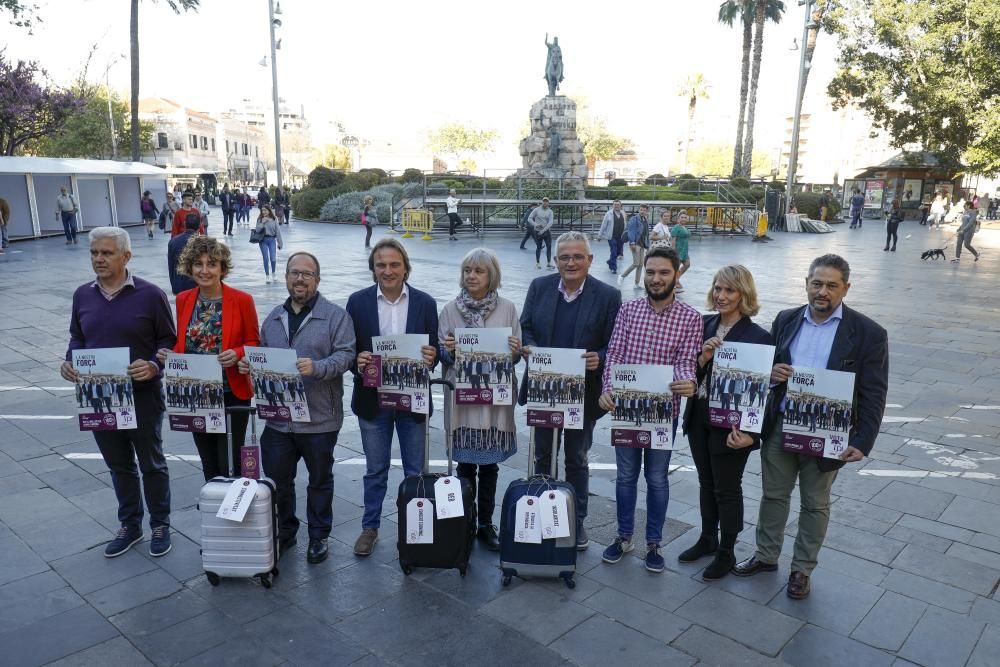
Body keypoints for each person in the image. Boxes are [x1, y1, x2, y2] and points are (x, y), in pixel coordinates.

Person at [733, 254, 888, 600]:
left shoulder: (868, 333)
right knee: (774, 495)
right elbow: (768, 367)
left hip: (828, 432)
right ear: (806, 283)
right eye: (816, 283)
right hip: (782, 423)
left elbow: (874, 391)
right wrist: (772, 375)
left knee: (815, 503)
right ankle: (765, 555)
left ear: (846, 288)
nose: (822, 291)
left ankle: (802, 569)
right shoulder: (786, 319)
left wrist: (863, 440)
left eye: (832, 285)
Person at [61, 227, 176, 558]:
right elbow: (77, 337)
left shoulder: (150, 295)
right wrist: (70, 362)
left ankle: (160, 523)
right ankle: (130, 524)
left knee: (152, 463)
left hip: (142, 395)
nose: (99, 259)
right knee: (118, 465)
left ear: (126, 256)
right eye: (94, 253)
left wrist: (155, 364)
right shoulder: (82, 295)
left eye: (106, 253)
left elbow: (168, 341)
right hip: (99, 395)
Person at [238, 252, 356, 564]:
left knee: (320, 480)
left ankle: (318, 535)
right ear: (286, 277)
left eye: (306, 273)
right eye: (294, 273)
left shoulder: (335, 316)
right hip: (278, 420)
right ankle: (286, 530)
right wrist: (249, 364)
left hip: (319, 419)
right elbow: (262, 354)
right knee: (279, 481)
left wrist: (317, 367)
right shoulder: (274, 316)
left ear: (317, 279)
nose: (299, 279)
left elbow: (346, 356)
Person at [598, 247, 701, 572]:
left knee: (657, 478)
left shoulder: (691, 318)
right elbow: (614, 353)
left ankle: (654, 542)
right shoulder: (629, 311)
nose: (656, 278)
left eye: (664, 273)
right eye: (651, 272)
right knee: (626, 476)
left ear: (676, 275)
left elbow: (686, 361)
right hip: (627, 409)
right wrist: (608, 389)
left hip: (662, 413)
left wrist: (688, 382)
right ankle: (624, 536)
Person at [520, 230, 622, 550]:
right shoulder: (539, 287)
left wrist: (600, 358)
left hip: (584, 393)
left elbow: (615, 344)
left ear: (590, 260)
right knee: (542, 455)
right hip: (545, 388)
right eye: (564, 257)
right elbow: (525, 327)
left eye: (578, 256)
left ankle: (575, 520)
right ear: (556, 260)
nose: (571, 262)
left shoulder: (608, 295)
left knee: (577, 458)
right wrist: (531, 348)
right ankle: (541, 514)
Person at [345, 238, 439, 557]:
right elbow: (349, 349)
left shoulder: (425, 303)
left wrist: (431, 357)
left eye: (394, 264)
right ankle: (370, 527)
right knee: (375, 469)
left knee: (416, 470)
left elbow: (435, 352)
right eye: (381, 265)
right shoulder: (357, 302)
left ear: (405, 268)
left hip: (412, 400)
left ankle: (416, 527)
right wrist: (356, 361)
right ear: (373, 269)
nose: (388, 270)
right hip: (373, 399)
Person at [679, 265, 772, 580]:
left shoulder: (759, 337)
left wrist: (751, 434)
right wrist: (702, 358)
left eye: (729, 290)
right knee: (706, 483)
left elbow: (763, 394)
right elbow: (683, 372)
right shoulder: (702, 324)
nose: (721, 296)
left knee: (727, 488)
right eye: (717, 289)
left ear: (743, 294)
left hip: (732, 425)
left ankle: (726, 550)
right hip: (698, 415)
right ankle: (707, 538)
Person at [157, 236, 260, 481]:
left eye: (212, 264)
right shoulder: (184, 300)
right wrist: (171, 355)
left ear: (222, 268)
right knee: (207, 457)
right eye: (198, 264)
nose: (204, 270)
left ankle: (234, 505)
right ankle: (215, 501)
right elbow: (183, 342)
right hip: (196, 392)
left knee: (230, 459)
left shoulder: (242, 300)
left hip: (231, 391)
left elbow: (255, 343)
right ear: (189, 267)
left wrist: (237, 353)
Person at [438, 248, 522, 550]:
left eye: (478, 271)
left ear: (492, 276)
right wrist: (447, 349)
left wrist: (514, 350)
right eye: (467, 270)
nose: (471, 276)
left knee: (489, 467)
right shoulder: (449, 309)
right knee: (463, 466)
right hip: (462, 399)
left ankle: (485, 523)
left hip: (493, 400)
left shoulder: (508, 308)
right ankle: (464, 521)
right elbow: (441, 356)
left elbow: (514, 357)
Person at [167, 214, 201, 295]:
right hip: (198, 286)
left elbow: (171, 266)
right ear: (200, 225)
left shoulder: (173, 241)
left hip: (179, 286)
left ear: (185, 223)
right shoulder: (203, 242)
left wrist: (174, 285)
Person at [619, 204, 649, 289]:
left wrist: (648, 245)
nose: (642, 211)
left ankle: (636, 283)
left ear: (647, 211)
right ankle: (622, 276)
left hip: (642, 244)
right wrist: (632, 242)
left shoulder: (645, 219)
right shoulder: (634, 219)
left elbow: (646, 233)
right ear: (639, 210)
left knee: (640, 264)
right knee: (636, 263)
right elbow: (631, 231)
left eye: (644, 210)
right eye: (641, 210)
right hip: (635, 243)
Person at [255, 205, 284, 282]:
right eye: (262, 210)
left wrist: (280, 243)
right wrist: (262, 223)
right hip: (263, 240)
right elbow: (257, 230)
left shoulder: (274, 219)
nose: (264, 212)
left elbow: (278, 232)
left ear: (269, 211)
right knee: (266, 258)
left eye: (265, 210)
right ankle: (267, 275)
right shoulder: (260, 219)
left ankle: (273, 273)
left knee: (273, 258)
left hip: (272, 240)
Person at [597, 199, 627, 274]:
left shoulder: (623, 213)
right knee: (613, 251)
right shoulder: (608, 214)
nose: (616, 206)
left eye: (618, 205)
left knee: (617, 253)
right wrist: (599, 235)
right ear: (613, 205)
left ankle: (610, 261)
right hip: (611, 236)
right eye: (615, 204)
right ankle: (613, 268)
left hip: (620, 237)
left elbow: (625, 224)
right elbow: (603, 225)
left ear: (620, 206)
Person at [528, 197, 554, 269]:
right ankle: (538, 263)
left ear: (548, 203)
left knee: (549, 247)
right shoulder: (536, 210)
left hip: (546, 231)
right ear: (542, 202)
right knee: (538, 247)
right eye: (544, 201)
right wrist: (536, 225)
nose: (545, 203)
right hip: (537, 231)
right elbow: (529, 218)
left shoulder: (550, 211)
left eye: (546, 201)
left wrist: (543, 230)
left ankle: (549, 263)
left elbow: (550, 222)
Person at [671, 212, 692, 291]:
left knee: (687, 264)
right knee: (676, 267)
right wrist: (673, 251)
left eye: (685, 217)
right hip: (678, 250)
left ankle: (676, 278)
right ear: (678, 218)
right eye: (682, 217)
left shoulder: (685, 227)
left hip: (685, 250)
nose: (683, 219)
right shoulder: (676, 227)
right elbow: (673, 240)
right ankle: (675, 281)